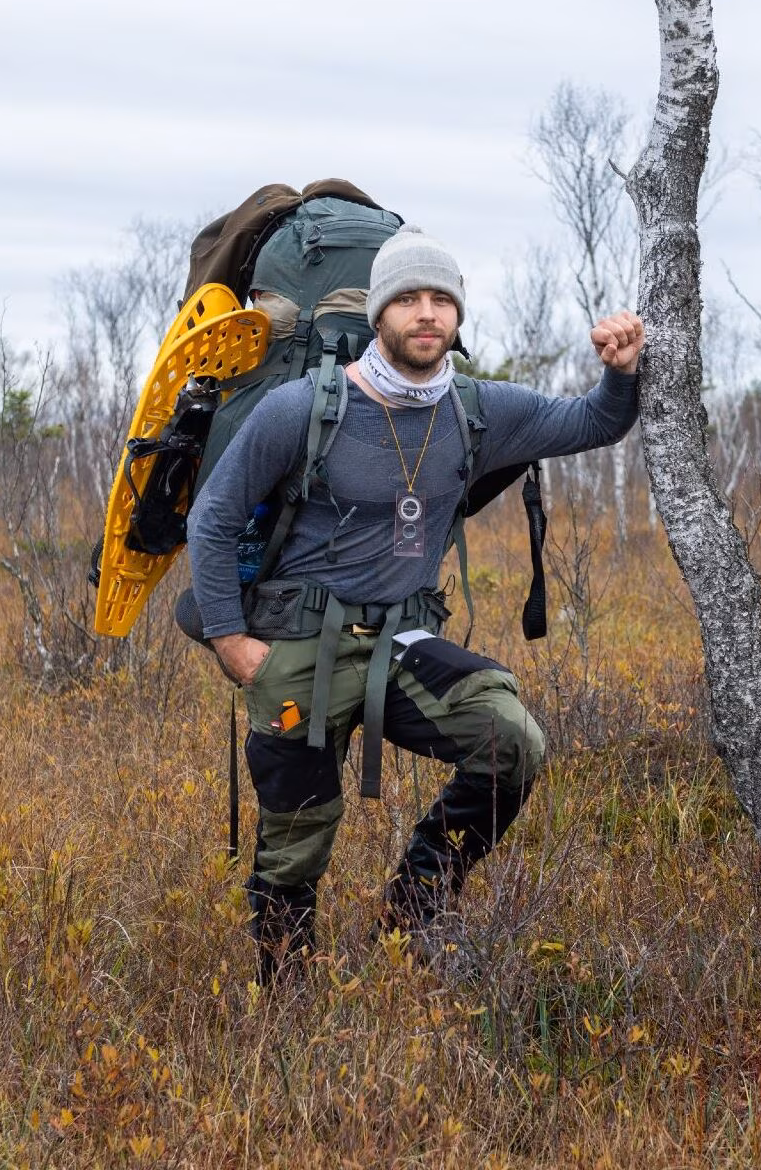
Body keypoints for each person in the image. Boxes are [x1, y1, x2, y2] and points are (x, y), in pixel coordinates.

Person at [185, 224, 644, 981]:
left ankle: (415, 907)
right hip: (300, 641)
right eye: (408, 300)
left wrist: (621, 370)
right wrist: (234, 644)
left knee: (512, 741)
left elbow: (596, 421)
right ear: (379, 315)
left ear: (458, 318)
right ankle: (284, 996)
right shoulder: (301, 409)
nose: (427, 314)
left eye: (441, 300)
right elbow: (214, 519)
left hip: (403, 642)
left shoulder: (478, 410)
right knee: (299, 832)